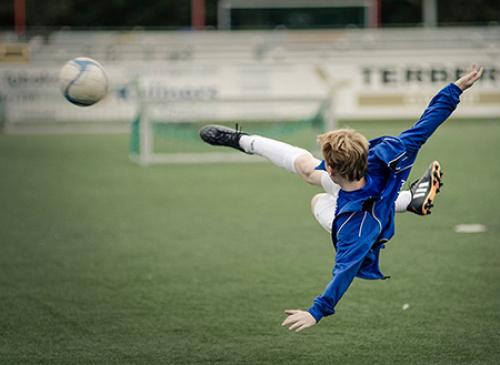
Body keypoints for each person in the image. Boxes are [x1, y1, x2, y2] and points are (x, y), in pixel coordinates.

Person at [199, 65, 483, 332]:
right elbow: (428, 121)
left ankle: (408, 201)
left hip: (369, 214)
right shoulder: (383, 154)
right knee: (307, 169)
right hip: (367, 189)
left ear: (333, 170)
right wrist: (455, 89)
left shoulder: (354, 228)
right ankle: (242, 140)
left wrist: (316, 311)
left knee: (317, 201)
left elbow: (345, 271)